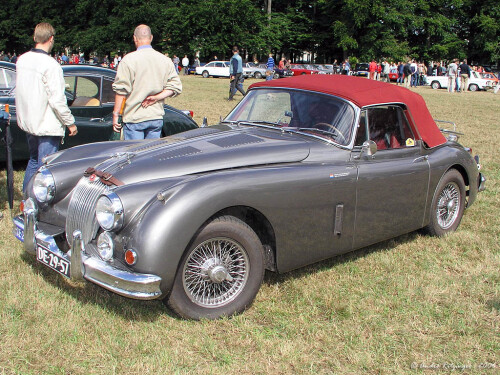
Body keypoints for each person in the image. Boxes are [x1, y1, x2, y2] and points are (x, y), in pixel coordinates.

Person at [15, 23, 77, 191]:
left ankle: (27, 198)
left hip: (30, 120)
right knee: (46, 167)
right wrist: (70, 122)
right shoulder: (50, 65)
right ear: (51, 39)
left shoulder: (22, 60)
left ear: (35, 38)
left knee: (34, 161)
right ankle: (38, 203)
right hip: (46, 123)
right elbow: (57, 99)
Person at [112, 24, 182, 140]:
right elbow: (175, 87)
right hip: (155, 117)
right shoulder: (165, 60)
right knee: (150, 156)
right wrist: (157, 97)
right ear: (151, 38)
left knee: (135, 155)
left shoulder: (128, 60)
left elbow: (121, 91)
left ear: (135, 38)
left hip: (134, 118)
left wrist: (116, 115)